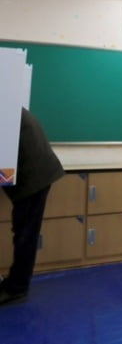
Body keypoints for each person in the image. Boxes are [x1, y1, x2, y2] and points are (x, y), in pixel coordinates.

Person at [1, 108, 64, 305]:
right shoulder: (5, 102)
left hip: (35, 175)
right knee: (23, 231)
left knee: (25, 233)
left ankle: (17, 288)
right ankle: (15, 283)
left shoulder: (5, 106)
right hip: (33, 171)